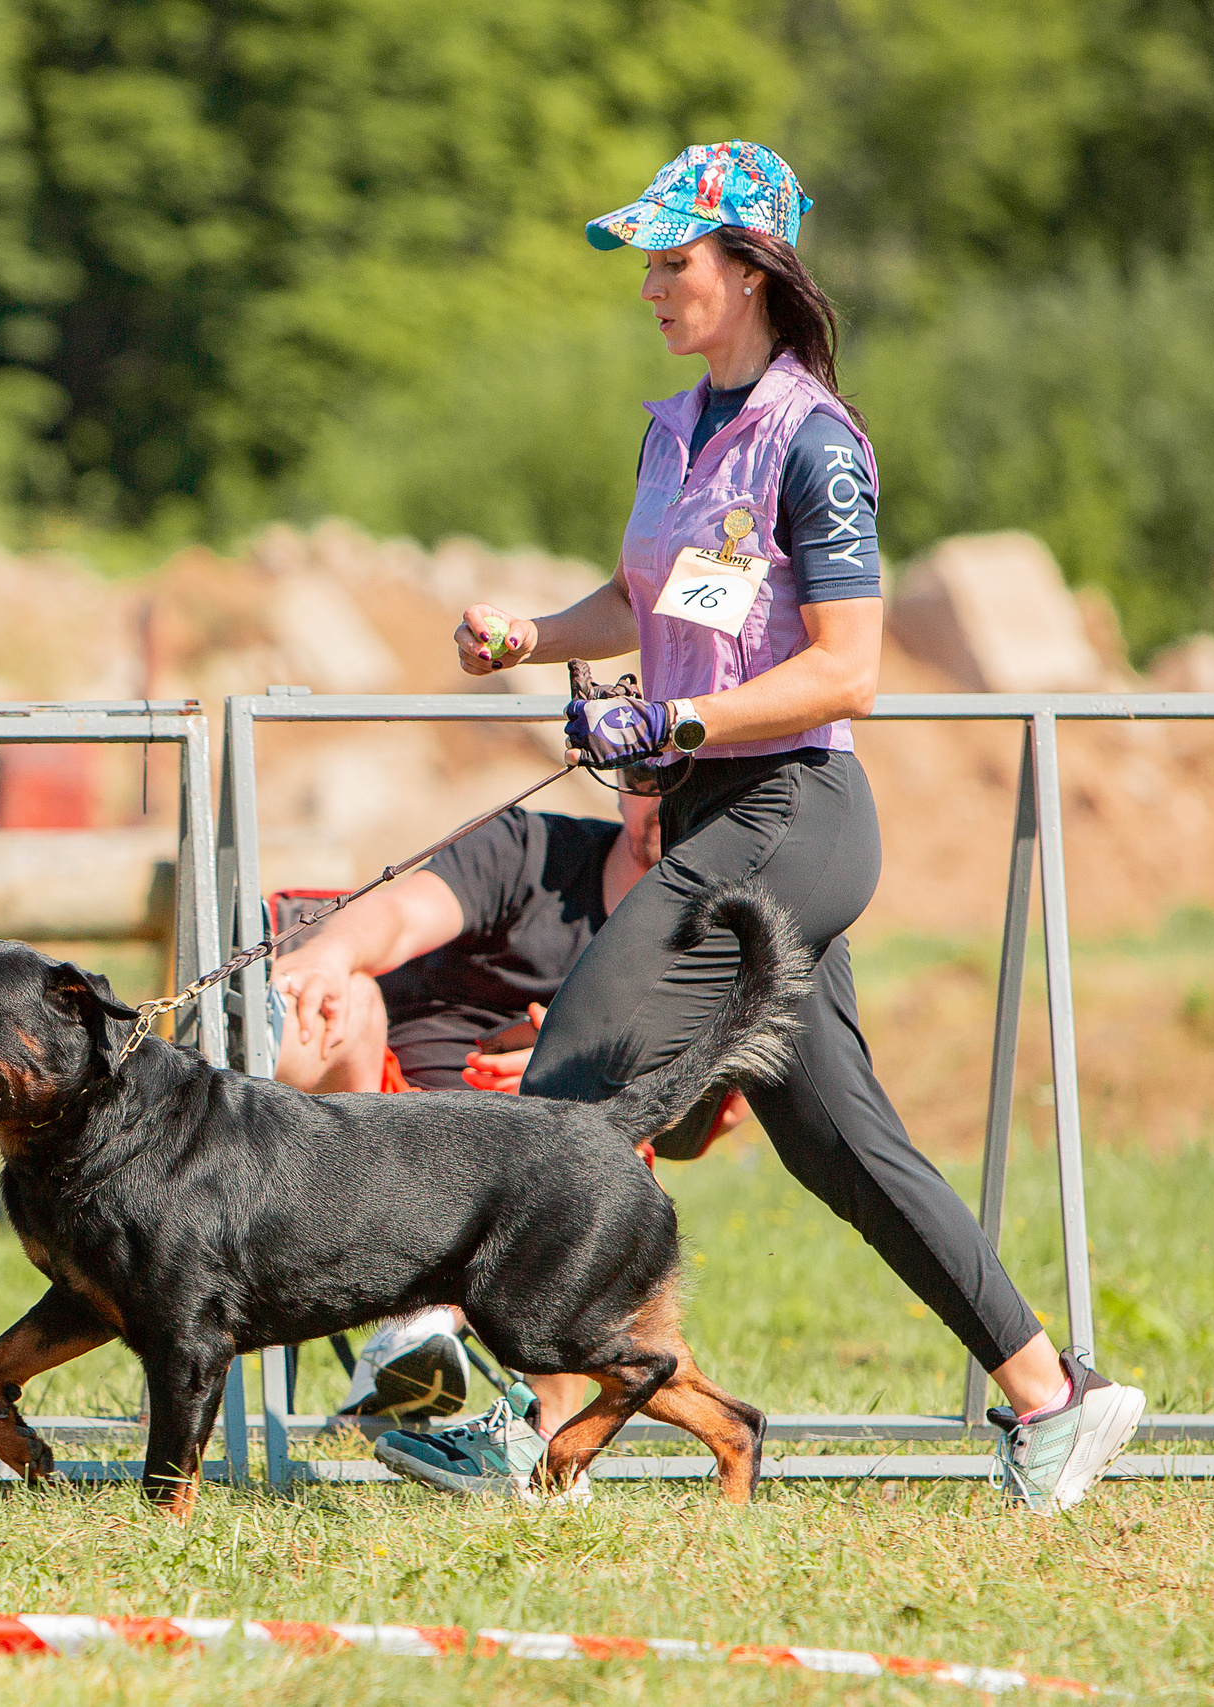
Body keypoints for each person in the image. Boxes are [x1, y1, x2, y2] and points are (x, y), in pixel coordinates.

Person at [373, 140, 1144, 1514]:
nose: (654, 288)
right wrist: (532, 636)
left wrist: (668, 730)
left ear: (753, 272)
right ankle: (1053, 1395)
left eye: (675, 264)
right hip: (716, 815)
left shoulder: (817, 442)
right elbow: (641, 599)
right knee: (837, 1138)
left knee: (568, 1082)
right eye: (651, 266)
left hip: (796, 812)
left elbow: (848, 669)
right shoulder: (674, 428)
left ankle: (520, 1434)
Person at [268, 781, 749, 1421]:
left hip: (536, 1170)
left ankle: (538, 1443)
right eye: (645, 777)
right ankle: (408, 1331)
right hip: (382, 1122)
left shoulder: (714, 927)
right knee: (347, 999)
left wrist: (582, 1065)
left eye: (691, 777)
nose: (663, 797)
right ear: (617, 786)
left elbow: (721, 1107)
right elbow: (400, 914)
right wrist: (328, 951)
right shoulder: (530, 851)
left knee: (601, 1145)